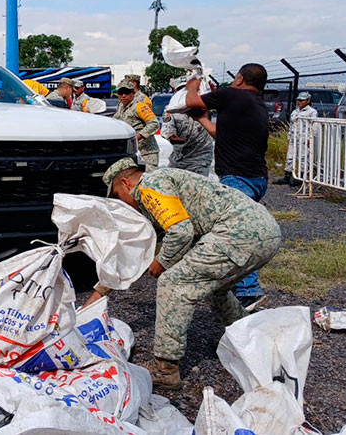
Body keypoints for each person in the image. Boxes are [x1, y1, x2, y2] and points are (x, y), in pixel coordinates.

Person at [86, 157, 281, 389]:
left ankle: (166, 369)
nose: (122, 203)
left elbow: (180, 232)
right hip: (264, 232)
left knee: (173, 284)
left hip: (238, 233)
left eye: (118, 195)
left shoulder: (149, 186)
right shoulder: (159, 193)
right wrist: (98, 294)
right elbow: (133, 251)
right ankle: (247, 340)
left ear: (127, 183)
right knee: (214, 289)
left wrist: (162, 261)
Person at [183, 63, 270, 309]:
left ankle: (248, 291)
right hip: (257, 178)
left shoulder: (232, 94)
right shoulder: (256, 104)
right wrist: (202, 119)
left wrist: (192, 84)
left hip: (237, 177)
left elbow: (193, 100)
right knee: (242, 228)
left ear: (240, 78)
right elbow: (221, 135)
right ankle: (236, 283)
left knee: (237, 234)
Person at [160, 77, 214, 176]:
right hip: (180, 160)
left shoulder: (204, 104)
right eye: (180, 90)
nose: (184, 92)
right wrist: (171, 136)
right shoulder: (170, 110)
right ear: (175, 91)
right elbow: (167, 126)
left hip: (201, 160)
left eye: (186, 89)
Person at [113, 78, 159, 169]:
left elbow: (154, 123)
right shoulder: (120, 107)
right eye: (120, 93)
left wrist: (138, 136)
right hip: (131, 152)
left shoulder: (139, 106)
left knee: (147, 180)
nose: (123, 96)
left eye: (126, 93)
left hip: (146, 152)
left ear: (133, 93)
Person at [274, 91, 317, 186]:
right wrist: (289, 136)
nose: (300, 102)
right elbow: (292, 125)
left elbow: (315, 126)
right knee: (290, 156)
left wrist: (311, 137)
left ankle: (301, 177)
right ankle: (287, 175)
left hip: (304, 137)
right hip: (294, 137)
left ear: (308, 101)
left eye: (302, 100)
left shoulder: (312, 112)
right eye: (299, 100)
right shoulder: (295, 111)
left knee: (303, 157)